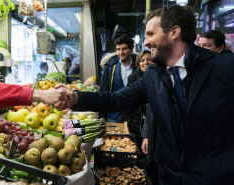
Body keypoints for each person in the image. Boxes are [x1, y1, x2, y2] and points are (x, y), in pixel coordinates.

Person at [56, 4, 234, 184]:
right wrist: (76, 97)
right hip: (170, 177)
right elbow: (115, 99)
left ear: (174, 32)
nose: (146, 42)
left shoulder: (224, 67)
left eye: (150, 34)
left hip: (216, 176)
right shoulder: (153, 75)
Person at [99, 35, 137, 122]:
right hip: (114, 115)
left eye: (124, 49)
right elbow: (103, 90)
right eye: (118, 49)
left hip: (134, 115)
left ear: (131, 49)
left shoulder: (139, 66)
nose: (121, 52)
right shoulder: (109, 67)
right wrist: (102, 115)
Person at [121, 50, 152, 153]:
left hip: (152, 122)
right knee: (139, 151)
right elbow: (126, 100)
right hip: (137, 122)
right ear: (138, 63)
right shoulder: (133, 78)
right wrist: (125, 121)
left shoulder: (157, 77)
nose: (146, 62)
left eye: (149, 59)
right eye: (142, 60)